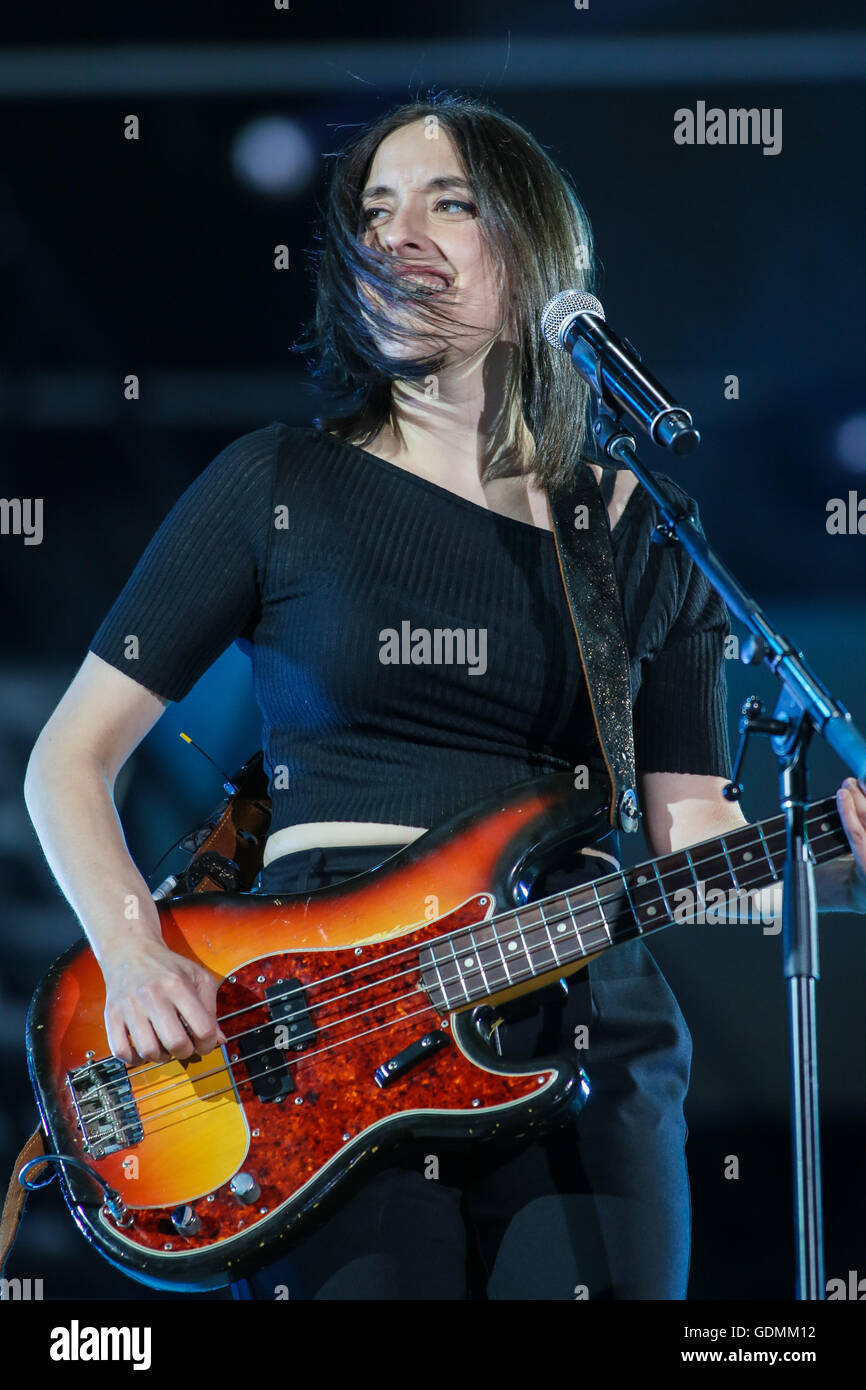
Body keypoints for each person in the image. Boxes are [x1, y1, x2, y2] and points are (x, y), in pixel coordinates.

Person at [24, 96, 866, 1301]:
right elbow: (67, 759)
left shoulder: (638, 531)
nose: (396, 232)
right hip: (324, 1026)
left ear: (533, 250)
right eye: (372, 210)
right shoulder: (276, 483)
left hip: (584, 1023)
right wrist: (135, 952)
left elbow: (692, 840)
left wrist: (837, 873)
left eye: (446, 200)